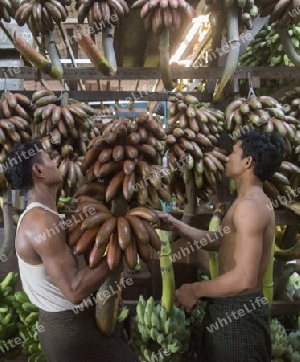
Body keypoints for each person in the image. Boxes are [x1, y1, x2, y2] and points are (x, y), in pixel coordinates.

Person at [2, 140, 139, 362]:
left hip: (75, 324)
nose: (55, 162)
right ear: (38, 171)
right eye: (48, 158)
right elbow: (74, 289)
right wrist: (121, 249)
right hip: (72, 330)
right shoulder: (40, 222)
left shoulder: (47, 215)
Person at [159, 129, 286, 362]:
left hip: (239, 312)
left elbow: (244, 279)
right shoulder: (246, 202)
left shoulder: (250, 206)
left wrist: (195, 290)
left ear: (248, 162)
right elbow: (223, 242)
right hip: (229, 305)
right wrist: (178, 226)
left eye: (233, 152)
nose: (227, 158)